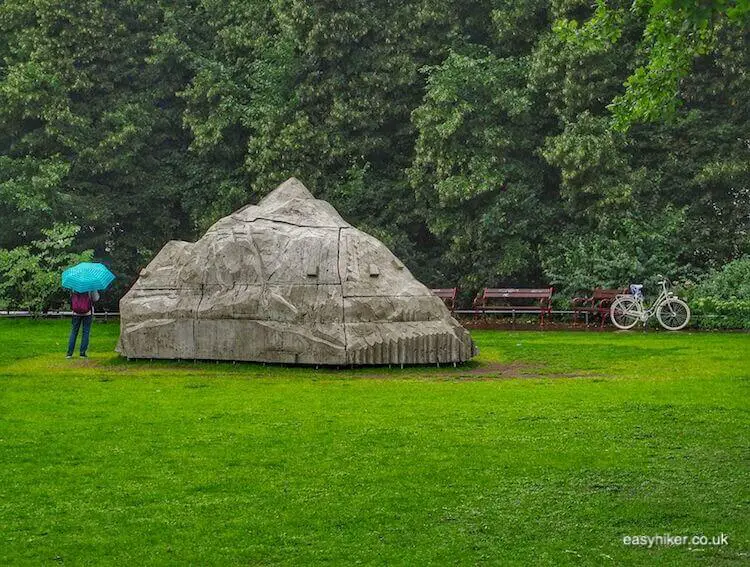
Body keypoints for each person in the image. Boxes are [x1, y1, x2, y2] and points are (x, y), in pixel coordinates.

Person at [66, 290, 100, 358]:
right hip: (87, 312)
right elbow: (96, 298)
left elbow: (71, 298)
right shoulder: (90, 285)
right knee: (86, 332)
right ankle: (82, 353)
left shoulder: (74, 285)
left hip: (76, 312)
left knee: (74, 332)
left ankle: (69, 354)